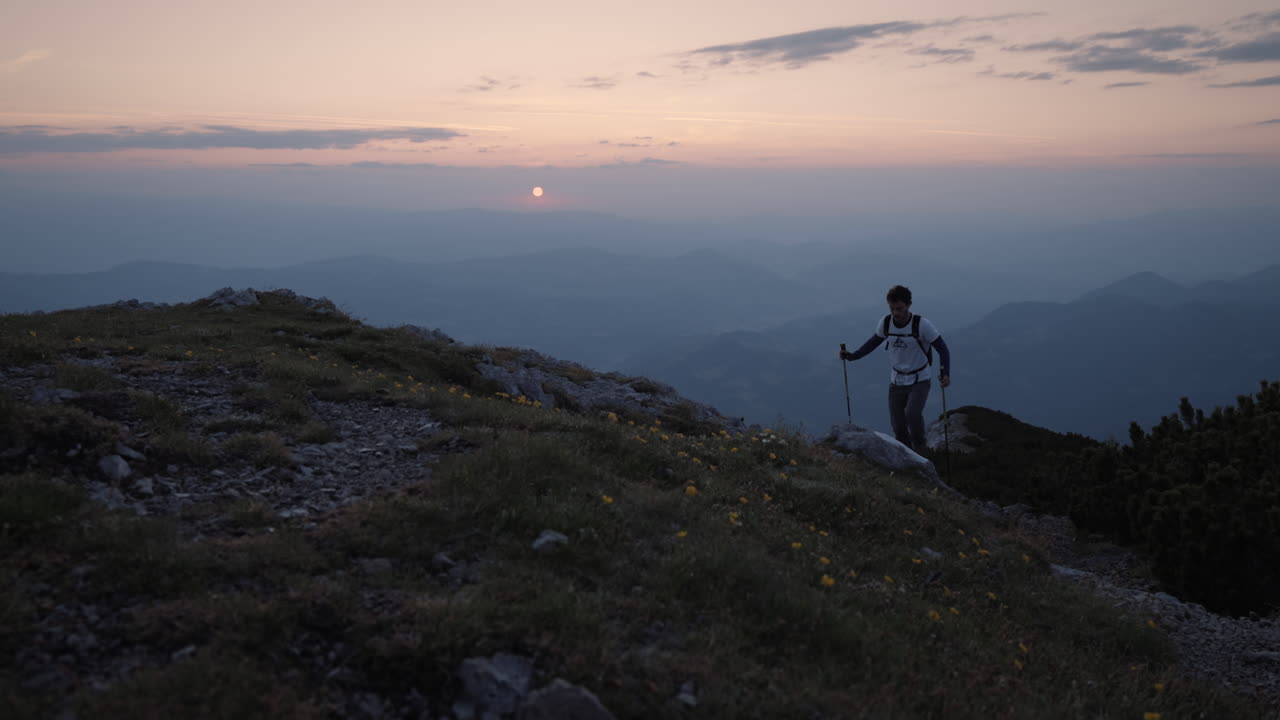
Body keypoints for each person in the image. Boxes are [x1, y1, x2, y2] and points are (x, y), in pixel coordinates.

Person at [840, 285, 951, 453]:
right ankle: (906, 456)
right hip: (897, 380)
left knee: (912, 415)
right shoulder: (886, 323)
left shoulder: (922, 325)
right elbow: (873, 343)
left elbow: (942, 348)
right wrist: (852, 356)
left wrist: (945, 373)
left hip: (920, 379)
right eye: (892, 308)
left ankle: (921, 451)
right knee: (898, 424)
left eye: (899, 308)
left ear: (909, 305)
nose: (895, 313)